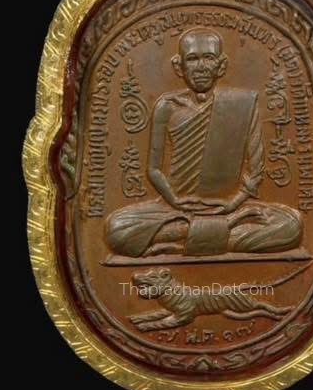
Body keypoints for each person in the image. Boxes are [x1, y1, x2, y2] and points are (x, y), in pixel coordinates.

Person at [105, 29, 302, 257]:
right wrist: (175, 201)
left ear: (221, 65)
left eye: (208, 58)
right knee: (117, 229)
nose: (201, 67)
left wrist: (233, 205)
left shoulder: (242, 104)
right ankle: (213, 235)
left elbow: (256, 170)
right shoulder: (167, 106)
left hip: (229, 208)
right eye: (192, 59)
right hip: (174, 209)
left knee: (291, 225)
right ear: (179, 67)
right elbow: (154, 169)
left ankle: (181, 240)